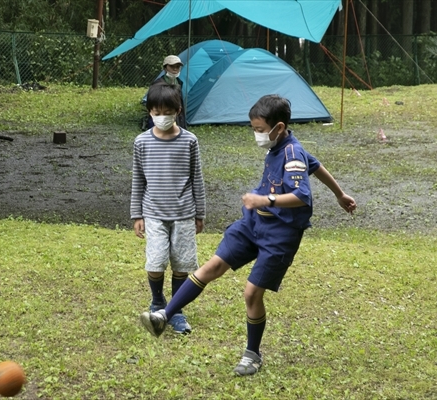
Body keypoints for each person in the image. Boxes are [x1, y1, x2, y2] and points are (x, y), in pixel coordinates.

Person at [140, 94, 357, 376]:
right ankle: (163, 316)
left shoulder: (291, 154)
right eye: (253, 128)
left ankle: (252, 355)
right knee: (212, 266)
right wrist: (340, 194)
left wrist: (265, 200)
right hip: (253, 225)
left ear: (278, 128)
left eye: (259, 130)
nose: (256, 135)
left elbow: (302, 195)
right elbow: (315, 165)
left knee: (252, 293)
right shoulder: (283, 146)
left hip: (279, 234)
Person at [132, 81, 206, 335]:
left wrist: (200, 214)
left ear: (178, 110)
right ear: (150, 112)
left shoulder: (189, 141)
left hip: (184, 214)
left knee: (181, 264)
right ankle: (157, 302)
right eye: (156, 112)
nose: (161, 117)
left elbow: (197, 178)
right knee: (155, 261)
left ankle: (175, 310)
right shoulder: (141, 142)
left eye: (167, 112)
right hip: (153, 213)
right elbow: (137, 179)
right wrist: (137, 215)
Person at [144, 55, 186, 130]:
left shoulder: (179, 82)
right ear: (165, 67)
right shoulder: (157, 84)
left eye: (178, 66)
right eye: (172, 66)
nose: (175, 69)